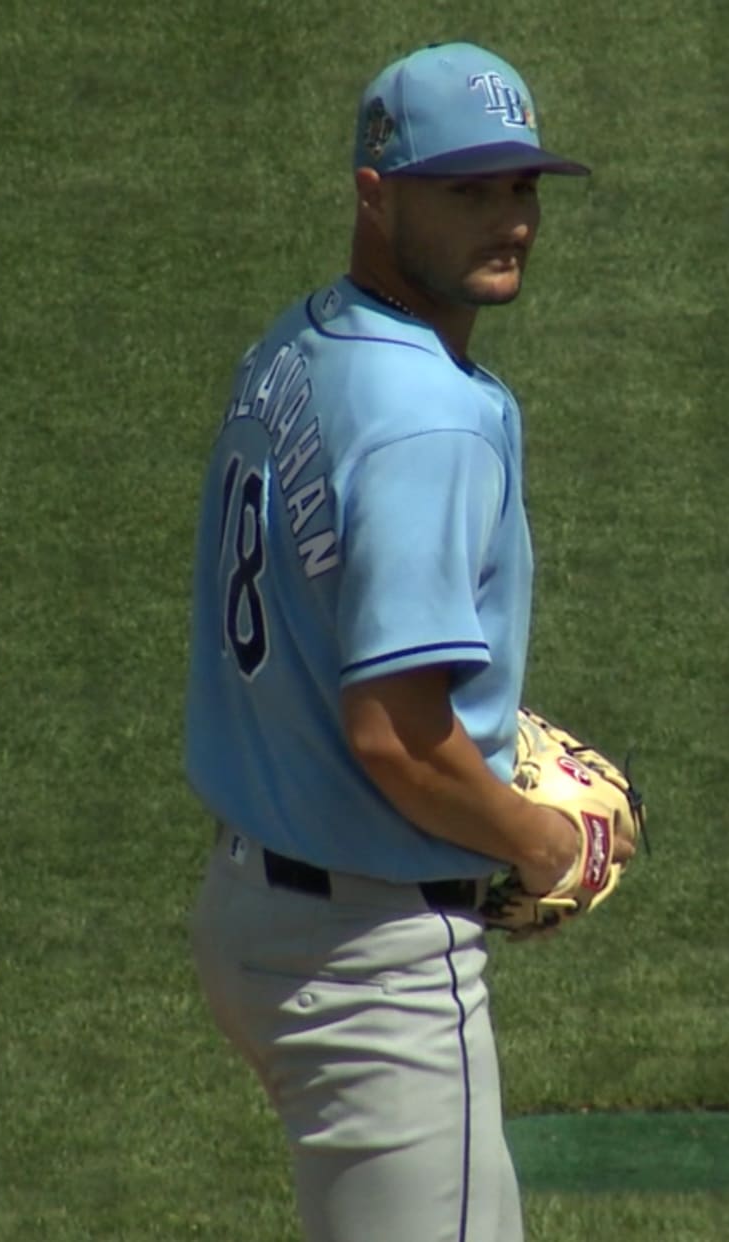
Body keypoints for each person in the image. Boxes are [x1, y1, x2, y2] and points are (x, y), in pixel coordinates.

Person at [182, 40, 608, 1242]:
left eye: (521, 188)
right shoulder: (435, 423)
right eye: (466, 191)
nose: (510, 221)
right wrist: (541, 845)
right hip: (372, 965)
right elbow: (397, 740)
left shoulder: (297, 344)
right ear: (376, 194)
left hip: (255, 908)